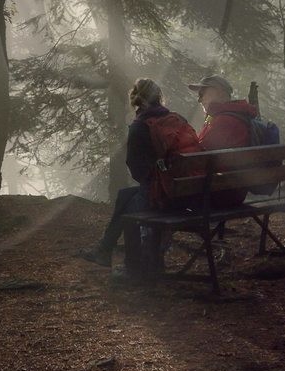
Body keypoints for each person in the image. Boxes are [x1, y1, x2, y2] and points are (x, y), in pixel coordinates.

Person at [80, 78, 200, 272]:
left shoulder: (140, 126)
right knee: (124, 196)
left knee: (128, 209)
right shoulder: (177, 119)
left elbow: (137, 171)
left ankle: (132, 267)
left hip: (166, 198)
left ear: (136, 100)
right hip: (188, 194)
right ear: (159, 98)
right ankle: (104, 250)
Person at [190, 74, 258, 211]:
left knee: (159, 195)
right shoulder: (233, 116)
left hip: (219, 194)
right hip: (232, 190)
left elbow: (199, 156)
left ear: (218, 92)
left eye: (202, 93)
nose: (199, 99)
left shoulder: (224, 121)